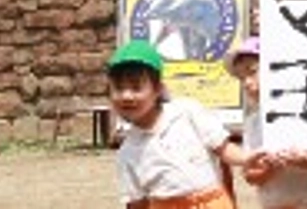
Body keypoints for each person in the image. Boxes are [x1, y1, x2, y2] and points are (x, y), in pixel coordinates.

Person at [108, 39, 262, 209]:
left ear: (158, 89)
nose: (127, 96)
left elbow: (223, 149)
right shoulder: (128, 152)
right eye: (118, 88)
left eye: (136, 87)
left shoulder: (187, 112)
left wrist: (248, 158)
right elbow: (137, 203)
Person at [226, 37, 307, 209]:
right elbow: (249, 176)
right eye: (241, 78)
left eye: (252, 71)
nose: (247, 83)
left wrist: (305, 161)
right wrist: (265, 170)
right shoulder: (253, 122)